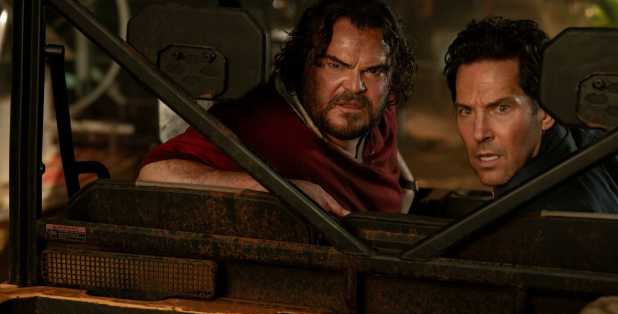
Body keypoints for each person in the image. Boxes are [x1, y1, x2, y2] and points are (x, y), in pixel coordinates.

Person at [137, 0, 416, 217]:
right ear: (304, 64)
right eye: (335, 65)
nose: (355, 86)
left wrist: (408, 187)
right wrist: (281, 188)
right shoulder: (260, 124)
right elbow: (154, 176)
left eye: (374, 70)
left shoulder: (375, 103)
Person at [443, 17, 618, 219]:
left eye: (501, 109)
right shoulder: (615, 147)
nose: (479, 133)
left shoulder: (537, 220)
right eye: (466, 111)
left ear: (546, 113)